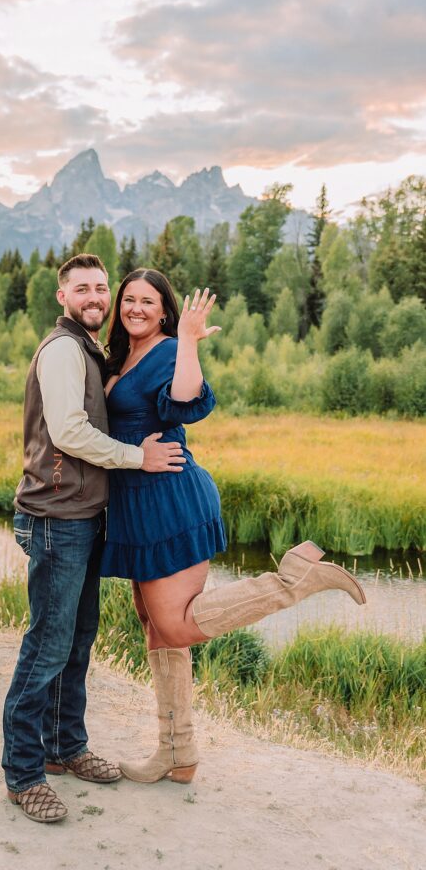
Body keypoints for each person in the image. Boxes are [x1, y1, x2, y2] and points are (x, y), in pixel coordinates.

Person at [101, 269, 366, 784]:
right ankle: (177, 752)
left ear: (164, 311)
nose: (136, 308)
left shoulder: (166, 349)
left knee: (175, 624)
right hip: (135, 504)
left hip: (169, 499)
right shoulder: (118, 356)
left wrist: (189, 343)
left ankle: (292, 581)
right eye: (128, 299)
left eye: (148, 301)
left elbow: (184, 401)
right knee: (157, 629)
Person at [2, 254, 187, 823]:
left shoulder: (87, 350)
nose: (95, 297)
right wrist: (138, 458)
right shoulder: (62, 350)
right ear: (63, 296)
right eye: (82, 288)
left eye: (101, 288)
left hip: (81, 516)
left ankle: (65, 747)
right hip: (57, 516)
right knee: (47, 646)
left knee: (78, 640)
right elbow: (69, 431)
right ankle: (24, 773)